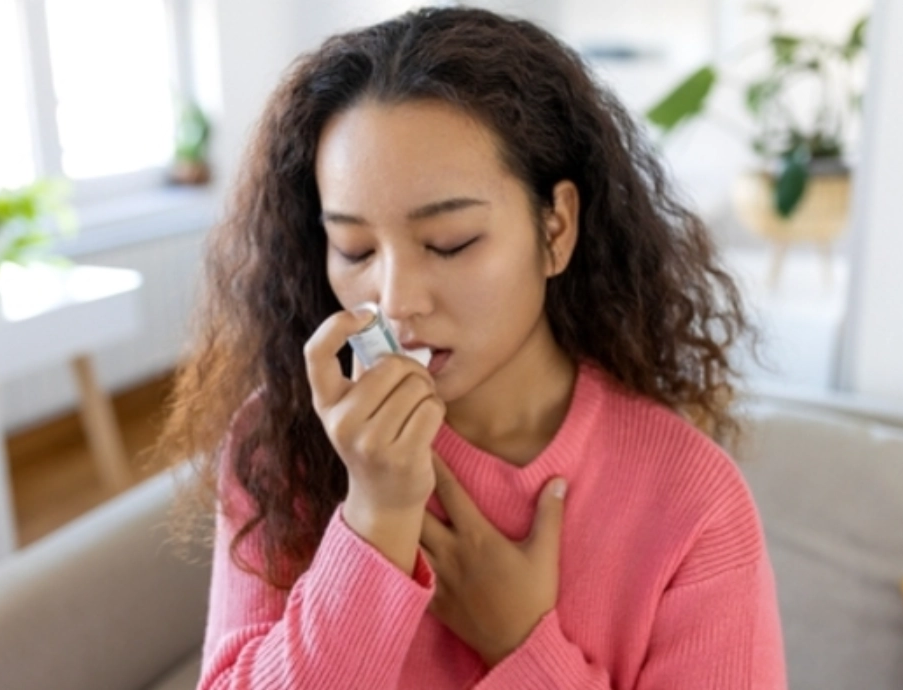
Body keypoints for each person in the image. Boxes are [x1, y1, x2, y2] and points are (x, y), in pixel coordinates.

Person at [154, 6, 787, 689]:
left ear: (556, 227)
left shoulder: (690, 500)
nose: (394, 302)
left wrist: (520, 644)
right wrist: (375, 517)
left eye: (449, 242)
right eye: (354, 249)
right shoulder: (280, 439)